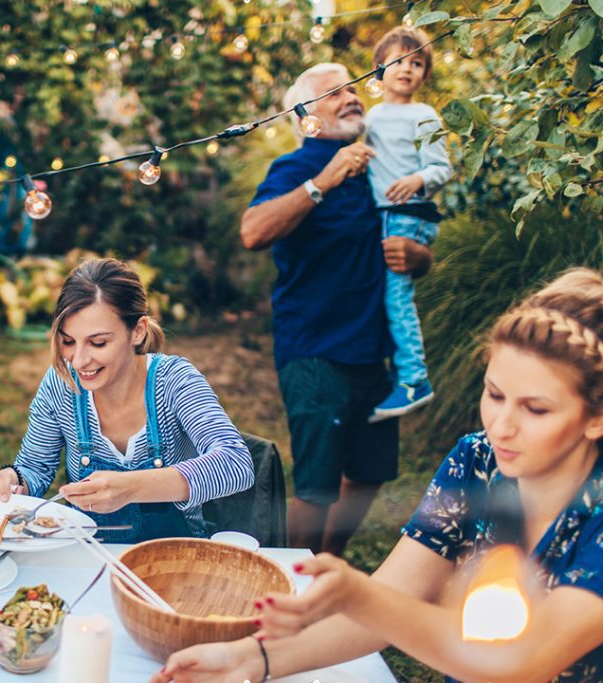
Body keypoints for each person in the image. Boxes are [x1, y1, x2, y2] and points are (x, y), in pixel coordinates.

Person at [151, 267, 603, 683]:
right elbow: (397, 593)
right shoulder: (477, 460)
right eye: (495, 394)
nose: (501, 425)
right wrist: (251, 658)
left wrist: (357, 595)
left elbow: (523, 660)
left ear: (596, 418)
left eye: (536, 408)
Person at [239, 63, 432, 555]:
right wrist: (323, 180)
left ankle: (327, 561)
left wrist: (419, 257)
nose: (351, 97)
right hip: (315, 348)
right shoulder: (295, 168)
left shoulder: (385, 166)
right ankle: (294, 578)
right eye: (334, 93)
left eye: (352, 89)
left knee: (368, 474)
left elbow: (417, 244)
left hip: (375, 350)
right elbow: (253, 231)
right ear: (306, 116)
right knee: (317, 486)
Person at [0, 258, 254, 543]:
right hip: (89, 555)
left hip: (176, 555)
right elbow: (35, 468)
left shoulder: (173, 381)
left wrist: (132, 487)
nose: (80, 360)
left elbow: (236, 463)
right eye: (69, 341)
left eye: (98, 343)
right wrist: (14, 479)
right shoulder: (62, 386)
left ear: (138, 331)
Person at [366, 27, 453, 422]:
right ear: (378, 71)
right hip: (385, 216)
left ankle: (415, 380)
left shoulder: (424, 115)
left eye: (417, 63)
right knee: (386, 297)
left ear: (424, 75)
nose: (407, 69)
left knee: (397, 299)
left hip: (410, 214)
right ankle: (395, 373)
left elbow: (442, 167)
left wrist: (419, 179)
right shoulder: (371, 118)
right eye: (399, 61)